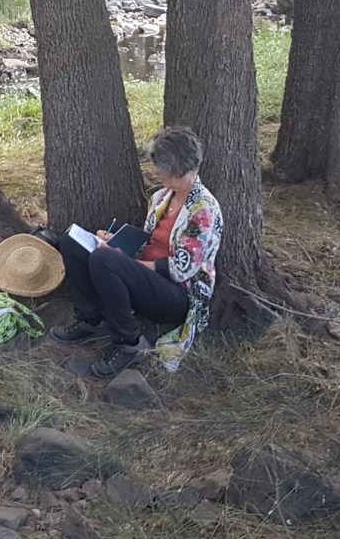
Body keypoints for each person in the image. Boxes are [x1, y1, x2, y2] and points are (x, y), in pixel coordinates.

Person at [51, 126, 223, 378]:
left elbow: (180, 270)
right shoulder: (162, 197)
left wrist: (120, 261)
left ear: (179, 168)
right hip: (146, 274)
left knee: (104, 258)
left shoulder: (203, 210)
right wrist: (114, 241)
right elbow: (149, 242)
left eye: (162, 169)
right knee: (72, 241)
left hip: (176, 293)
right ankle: (92, 318)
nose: (157, 174)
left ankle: (129, 341)